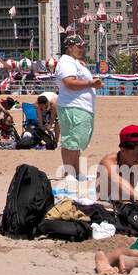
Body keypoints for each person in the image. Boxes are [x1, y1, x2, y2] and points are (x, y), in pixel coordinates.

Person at [55, 35, 102, 180]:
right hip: (72, 105)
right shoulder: (66, 62)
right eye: (79, 46)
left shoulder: (75, 62)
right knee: (71, 140)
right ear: (70, 48)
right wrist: (91, 84)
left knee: (78, 140)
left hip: (80, 106)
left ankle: (76, 171)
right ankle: (69, 172)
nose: (82, 49)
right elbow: (69, 82)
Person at [95, 126, 138, 215]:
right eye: (137, 154)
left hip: (130, 205)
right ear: (122, 150)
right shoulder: (108, 162)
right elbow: (117, 181)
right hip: (108, 206)